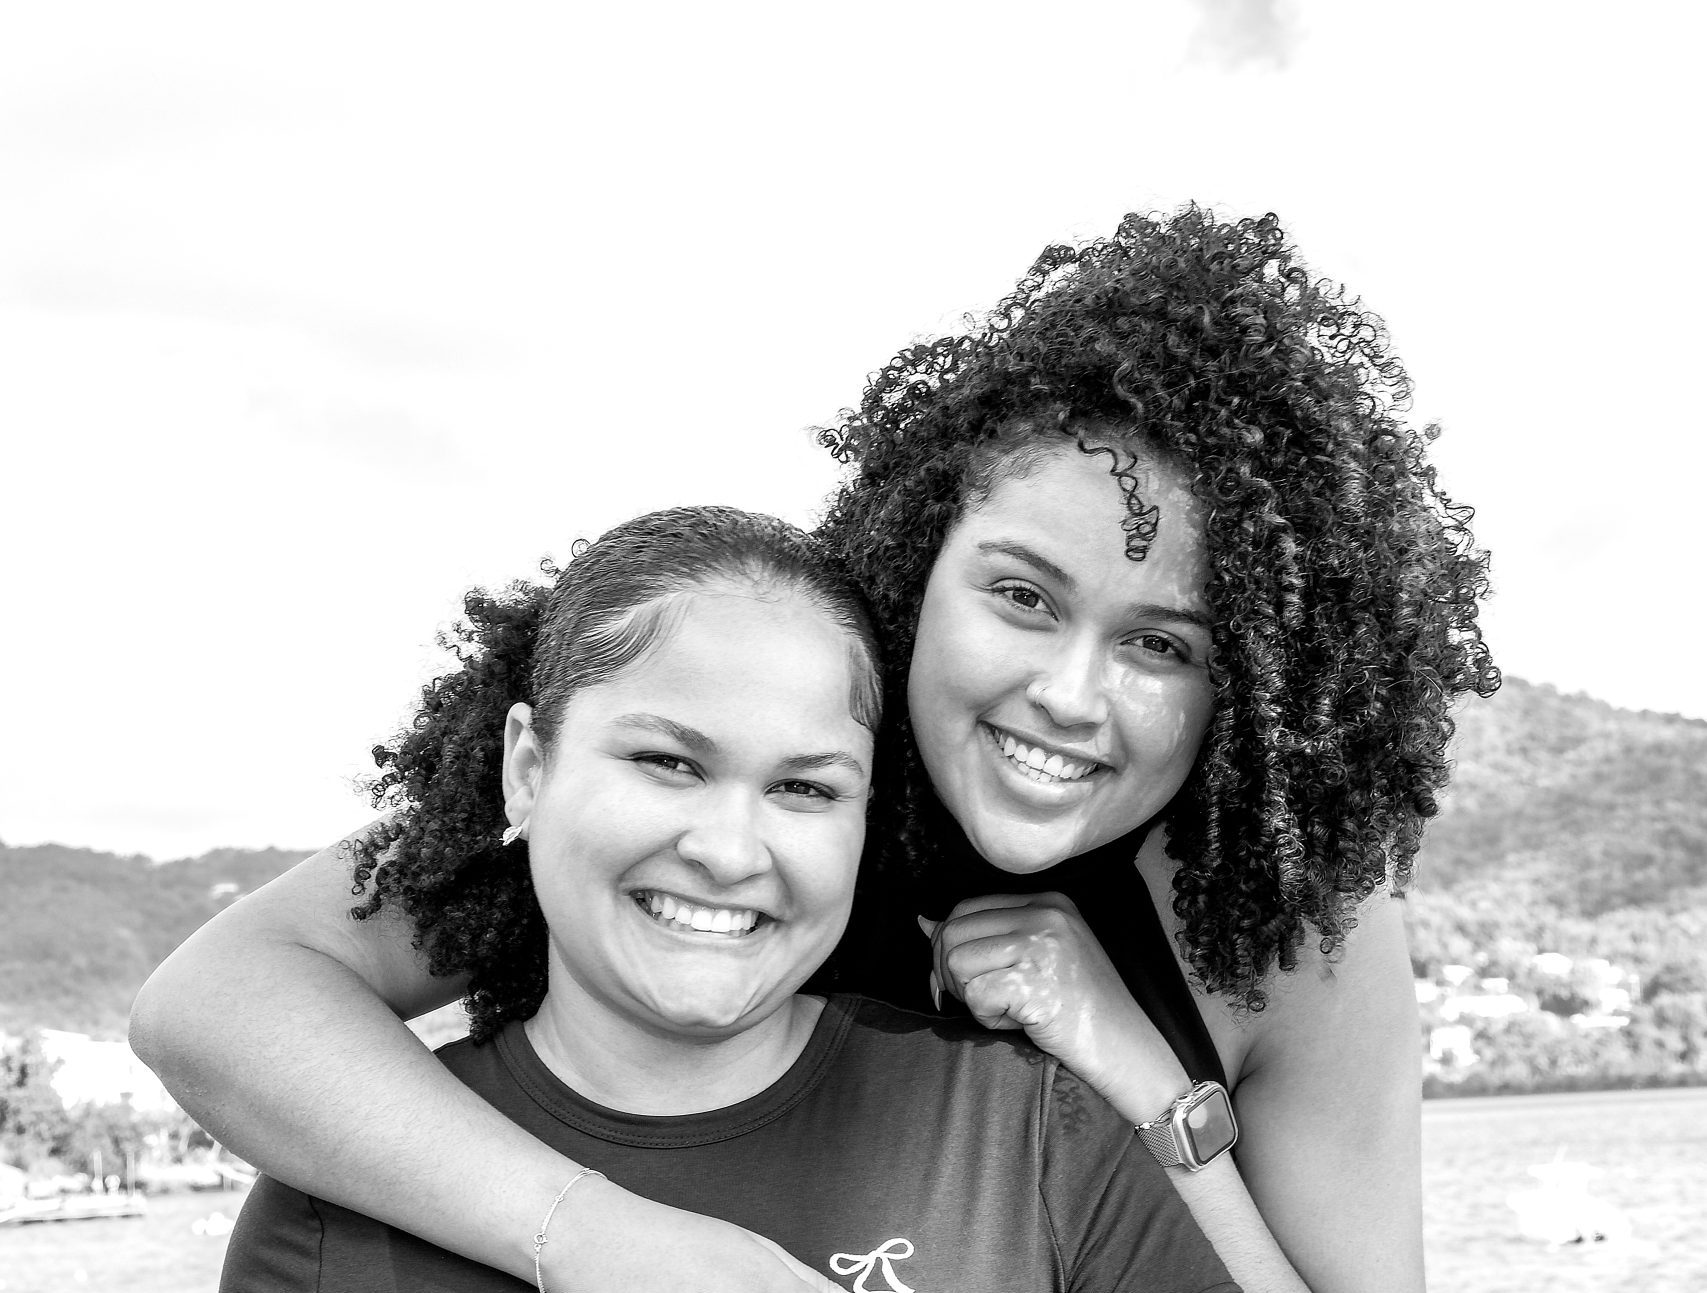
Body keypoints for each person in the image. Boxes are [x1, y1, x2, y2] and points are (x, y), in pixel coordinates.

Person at [133, 207, 1496, 1293]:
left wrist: (1146, 1089)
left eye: (1160, 645)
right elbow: (217, 1003)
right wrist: (591, 1235)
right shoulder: (750, 772)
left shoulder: (1288, 923)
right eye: (1020, 596)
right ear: (918, 562)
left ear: (1245, 683)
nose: (1068, 696)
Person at [218, 505, 1239, 1293]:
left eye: (805, 788)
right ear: (527, 769)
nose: (728, 850)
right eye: (668, 762)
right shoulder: (336, 1203)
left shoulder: (1033, 1134)